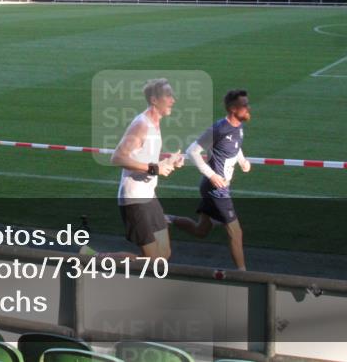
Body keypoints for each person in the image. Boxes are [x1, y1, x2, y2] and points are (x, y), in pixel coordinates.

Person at [168, 89, 252, 270]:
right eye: (244, 105)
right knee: (235, 232)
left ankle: (167, 219)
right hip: (215, 189)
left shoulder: (238, 127)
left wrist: (243, 161)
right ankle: (243, 274)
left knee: (201, 231)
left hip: (218, 187)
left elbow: (235, 147)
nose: (248, 108)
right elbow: (192, 151)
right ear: (233, 109)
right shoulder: (219, 129)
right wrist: (212, 175)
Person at [104, 78, 185, 260]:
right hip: (134, 198)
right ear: (154, 100)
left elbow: (144, 157)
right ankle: (95, 258)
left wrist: (169, 162)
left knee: (164, 255)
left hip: (149, 196)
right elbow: (117, 157)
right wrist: (155, 169)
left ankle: (98, 258)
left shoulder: (155, 123)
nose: (173, 100)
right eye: (168, 96)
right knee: (154, 261)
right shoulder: (141, 124)